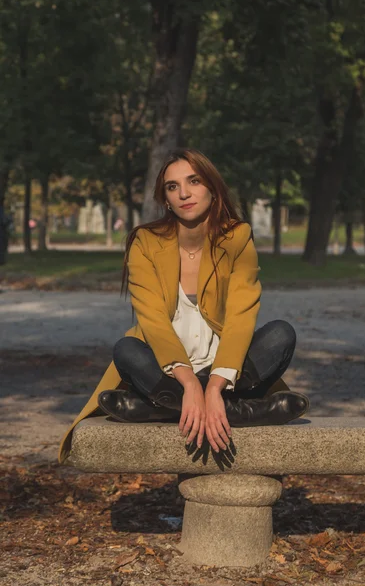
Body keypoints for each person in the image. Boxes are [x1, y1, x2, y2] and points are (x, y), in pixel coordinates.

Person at [58, 148, 308, 463]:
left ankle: (155, 408)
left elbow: (241, 316)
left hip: (228, 374)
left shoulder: (237, 237)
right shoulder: (145, 242)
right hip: (168, 372)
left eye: (194, 181)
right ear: (165, 198)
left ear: (213, 189)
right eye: (172, 187)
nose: (184, 193)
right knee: (126, 349)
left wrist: (214, 387)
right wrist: (190, 384)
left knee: (280, 334)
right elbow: (153, 322)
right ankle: (243, 411)